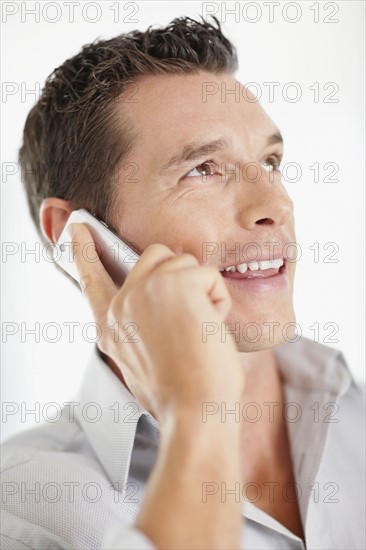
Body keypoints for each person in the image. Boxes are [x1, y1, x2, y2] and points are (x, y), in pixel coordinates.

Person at [1, 16, 364, 550]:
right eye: (203, 169)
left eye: (270, 161)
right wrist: (199, 410)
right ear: (82, 239)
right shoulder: (27, 506)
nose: (276, 205)